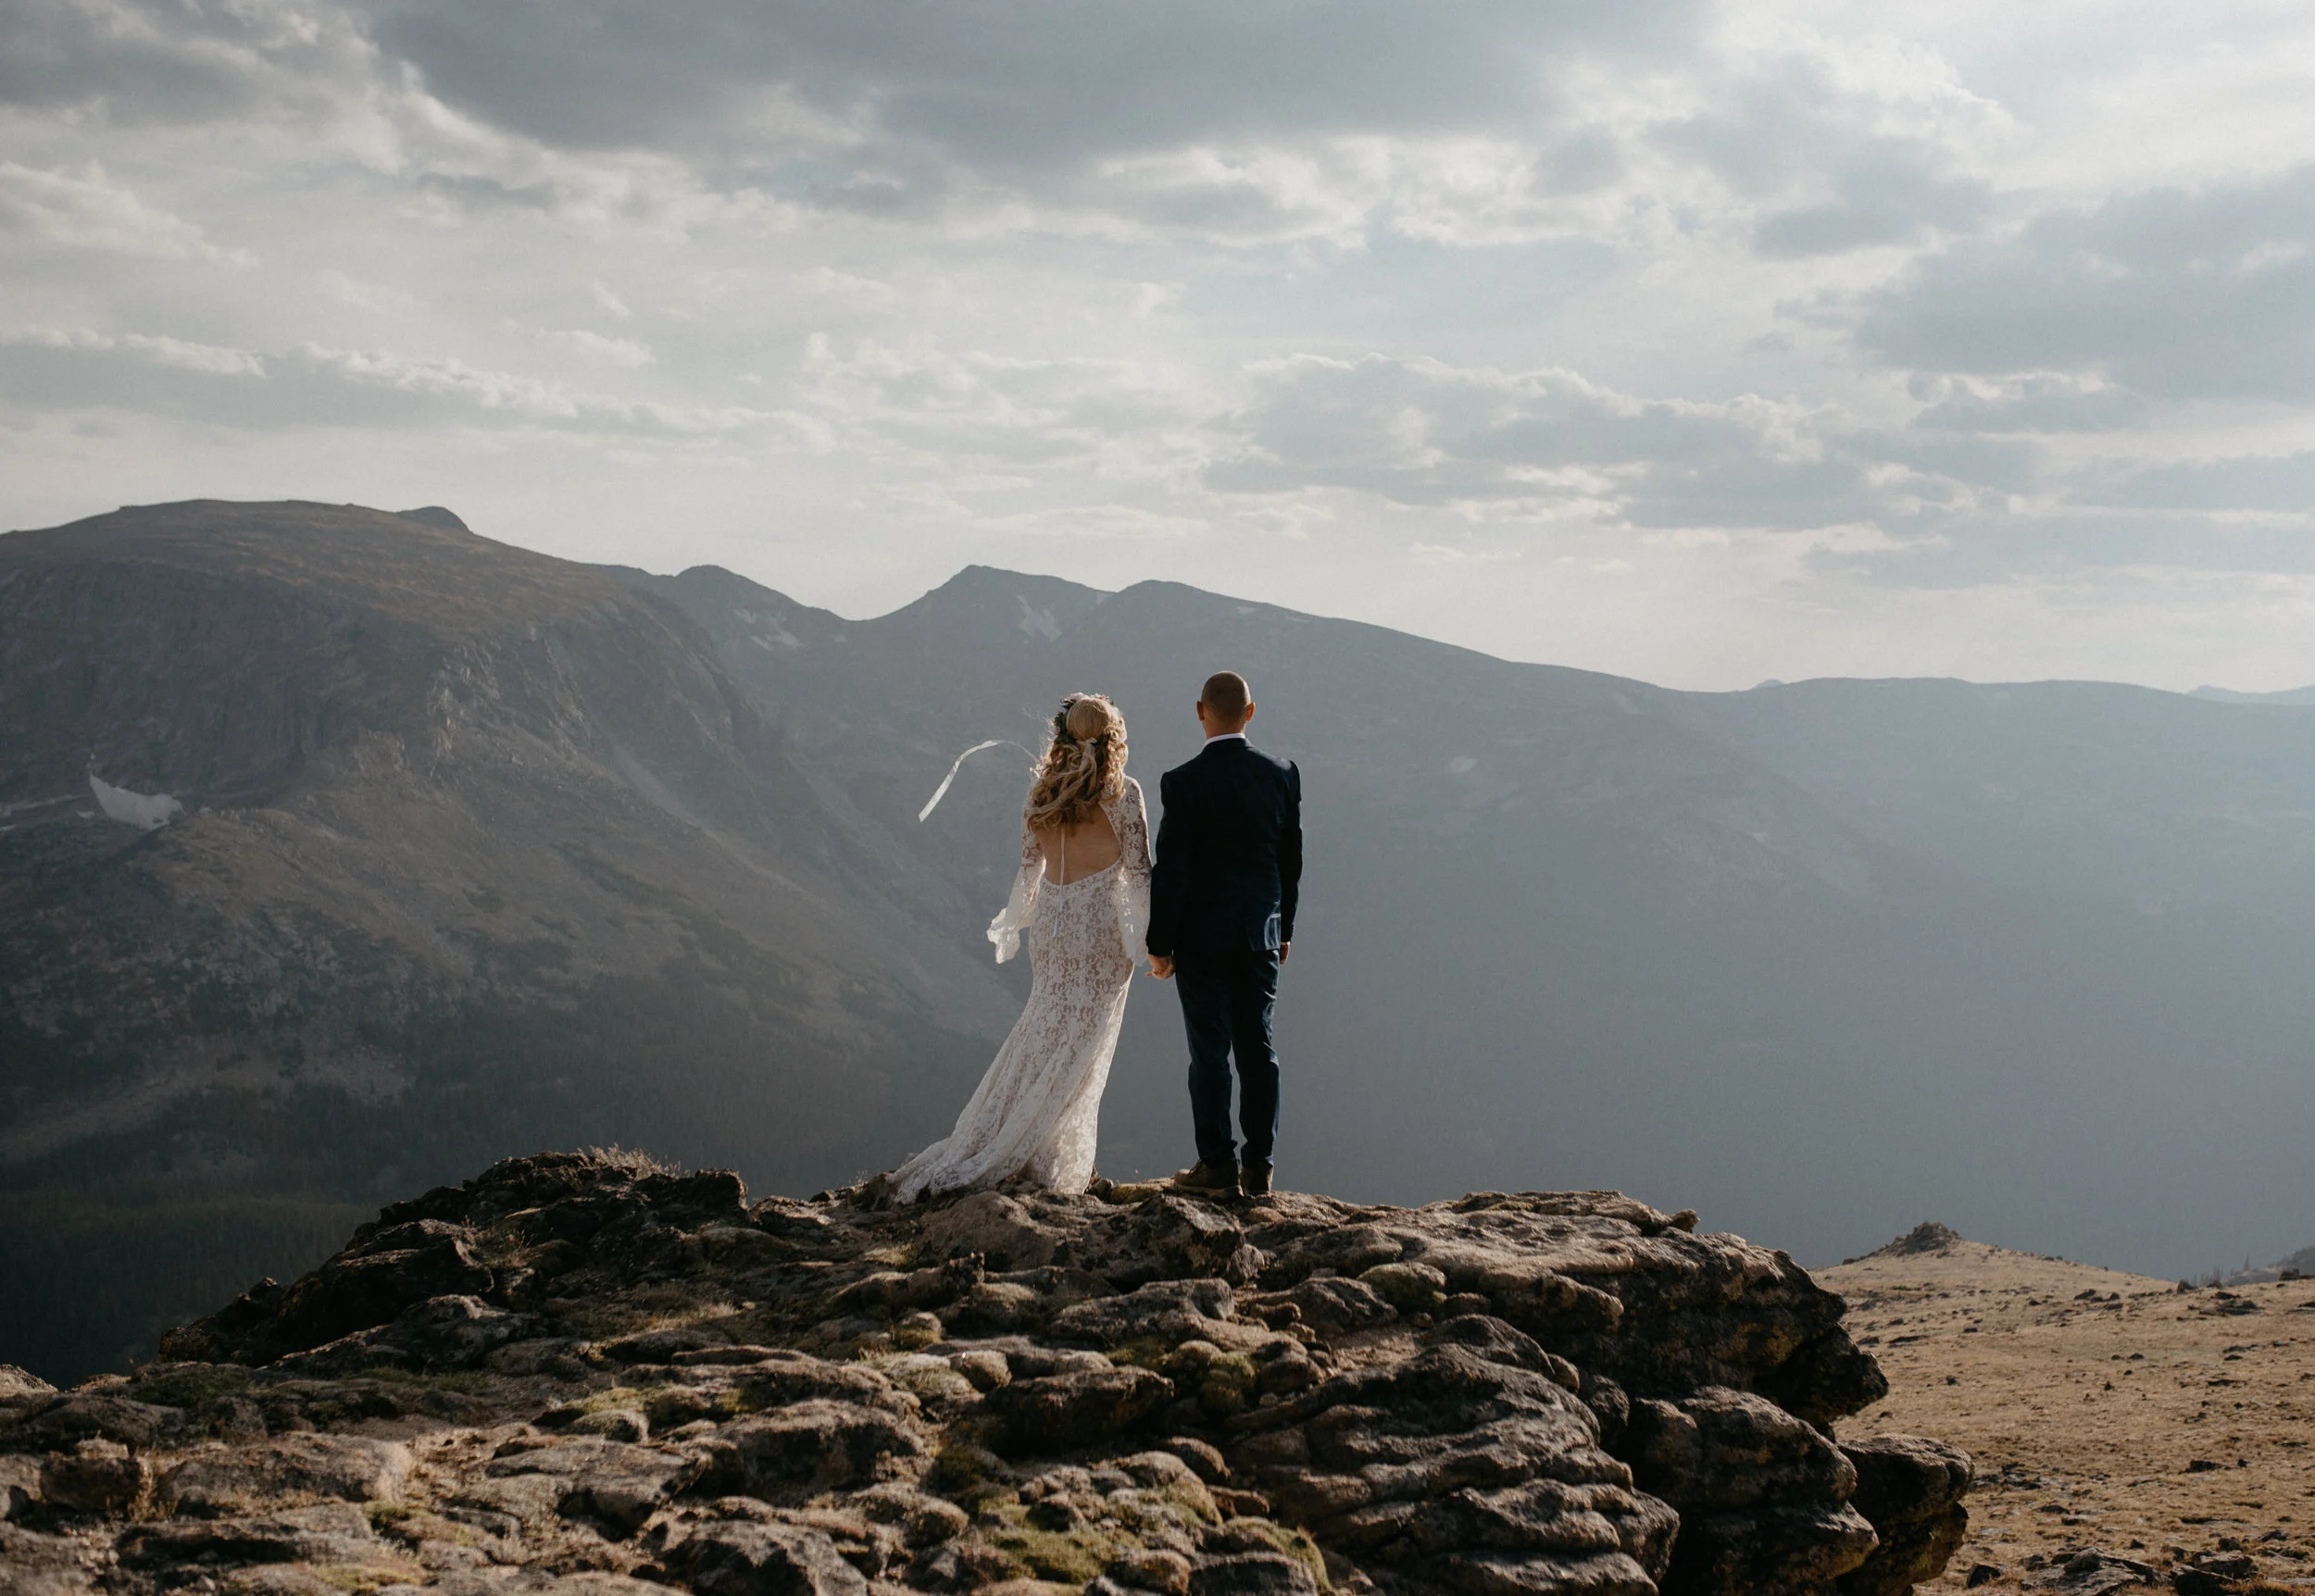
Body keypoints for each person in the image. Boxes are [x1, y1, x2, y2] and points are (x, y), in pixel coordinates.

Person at [888, 693, 1152, 1203]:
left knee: (1040, 1030)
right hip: (1099, 930)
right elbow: (1139, 871)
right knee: (1083, 1045)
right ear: (1112, 738)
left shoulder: (1042, 792)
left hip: (1053, 924)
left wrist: (1017, 923)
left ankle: (1001, 1134)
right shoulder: (1123, 793)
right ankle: (1039, 1153)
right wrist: (1149, 942)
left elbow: (1029, 869)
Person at [1146, 670, 1303, 1200]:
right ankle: (1260, 1167)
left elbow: (1172, 870)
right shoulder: (1282, 774)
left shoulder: (1182, 781)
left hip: (1201, 937)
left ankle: (1216, 1164)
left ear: (1200, 711)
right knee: (1258, 1045)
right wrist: (1284, 928)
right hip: (1261, 932)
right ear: (1250, 713)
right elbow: (1290, 862)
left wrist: (1159, 943)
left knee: (1209, 1049)